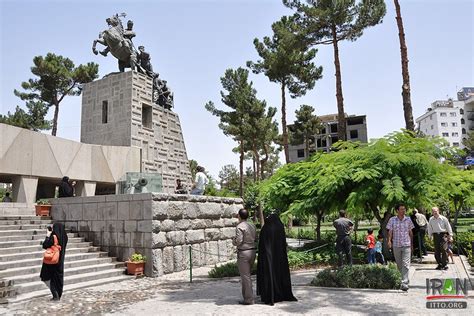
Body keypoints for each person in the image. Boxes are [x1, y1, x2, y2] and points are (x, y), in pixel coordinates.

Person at [257, 212, 297, 305]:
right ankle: (282, 293)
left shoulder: (266, 228)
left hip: (268, 258)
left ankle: (270, 295)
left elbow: (262, 245)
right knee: (280, 274)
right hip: (280, 257)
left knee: (270, 274)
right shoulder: (280, 227)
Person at [387, 203, 414, 291]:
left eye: (404, 209)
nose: (403, 211)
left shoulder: (408, 219)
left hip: (406, 244)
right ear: (397, 211)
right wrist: (389, 241)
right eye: (402, 209)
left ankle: (404, 283)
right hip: (396, 245)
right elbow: (390, 231)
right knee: (399, 264)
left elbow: (410, 232)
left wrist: (412, 244)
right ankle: (404, 278)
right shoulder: (392, 220)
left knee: (406, 264)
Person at [232, 208, 257, 305]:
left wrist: (233, 241)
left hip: (243, 252)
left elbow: (239, 240)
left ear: (239, 216)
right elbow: (256, 237)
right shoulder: (252, 225)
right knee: (248, 276)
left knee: (245, 277)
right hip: (252, 251)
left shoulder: (239, 226)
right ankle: (248, 297)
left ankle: (249, 299)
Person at [40, 223, 68, 300]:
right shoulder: (64, 237)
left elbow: (45, 245)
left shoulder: (53, 237)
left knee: (48, 278)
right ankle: (57, 294)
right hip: (59, 261)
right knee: (57, 279)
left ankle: (55, 296)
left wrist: (47, 235)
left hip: (52, 262)